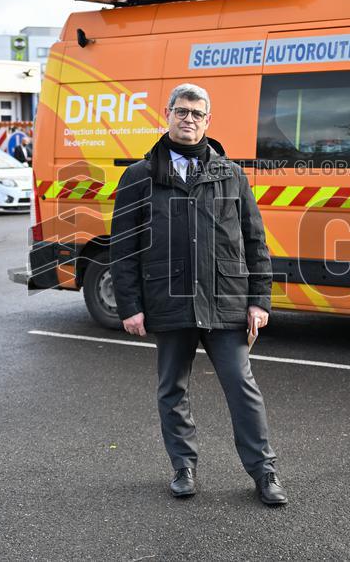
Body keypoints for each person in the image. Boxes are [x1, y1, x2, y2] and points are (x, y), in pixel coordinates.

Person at [109, 83, 287, 506]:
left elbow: (254, 241)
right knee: (173, 388)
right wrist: (130, 306)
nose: (188, 119)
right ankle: (183, 467)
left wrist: (259, 300)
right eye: (181, 111)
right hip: (167, 301)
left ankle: (264, 472)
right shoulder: (139, 177)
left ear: (208, 121)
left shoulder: (231, 174)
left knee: (242, 388)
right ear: (167, 114)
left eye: (197, 113)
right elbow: (124, 246)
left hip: (224, 301)